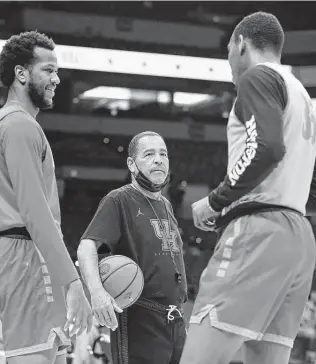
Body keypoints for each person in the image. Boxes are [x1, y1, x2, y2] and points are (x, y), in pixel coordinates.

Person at [180, 11, 316, 364]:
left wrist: (215, 201)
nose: (228, 61)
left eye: (228, 51)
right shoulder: (301, 95)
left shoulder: (258, 78)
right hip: (299, 238)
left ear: (241, 45)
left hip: (259, 232)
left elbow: (266, 148)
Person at [0, 31, 92, 364]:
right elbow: (35, 212)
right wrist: (72, 281)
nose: (57, 79)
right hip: (25, 257)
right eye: (48, 70)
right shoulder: (20, 127)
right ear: (20, 74)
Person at [77, 131, 188, 364]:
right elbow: (86, 246)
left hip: (175, 318)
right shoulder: (119, 199)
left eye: (163, 154)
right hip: (140, 316)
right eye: (149, 154)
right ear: (131, 164)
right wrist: (97, 293)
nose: (158, 159)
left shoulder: (166, 205)